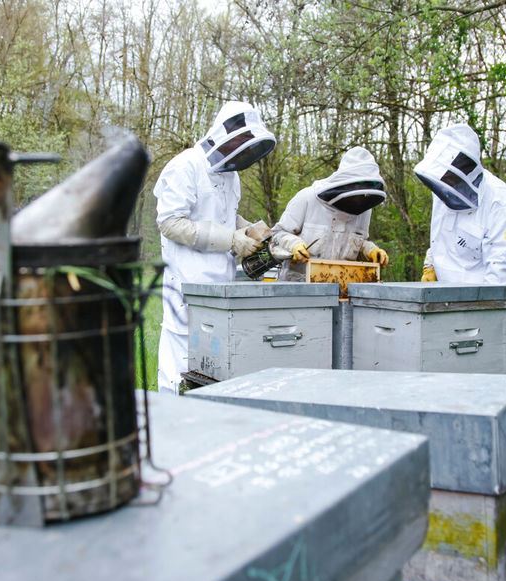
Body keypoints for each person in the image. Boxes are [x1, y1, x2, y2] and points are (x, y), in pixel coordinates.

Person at [154, 101, 276, 394]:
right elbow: (170, 223)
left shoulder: (231, 174)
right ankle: (172, 415)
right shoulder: (185, 166)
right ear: (224, 135)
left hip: (221, 286)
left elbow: (225, 217)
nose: (244, 150)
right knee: (180, 366)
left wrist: (250, 229)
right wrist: (232, 239)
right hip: (186, 284)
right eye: (242, 141)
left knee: (215, 368)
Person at [414, 123, 506, 354]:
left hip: (480, 313)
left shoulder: (501, 205)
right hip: (441, 303)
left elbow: (499, 279)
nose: (445, 180)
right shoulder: (443, 187)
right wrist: (430, 264)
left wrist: (481, 326)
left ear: (464, 168)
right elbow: (440, 234)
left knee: (477, 372)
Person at [269, 147, 390, 282]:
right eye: (359, 191)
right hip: (296, 287)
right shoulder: (307, 198)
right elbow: (277, 234)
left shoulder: (364, 210)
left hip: (340, 288)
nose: (361, 198)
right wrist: (294, 245)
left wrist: (369, 250)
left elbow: (357, 243)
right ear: (346, 184)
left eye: (365, 193)